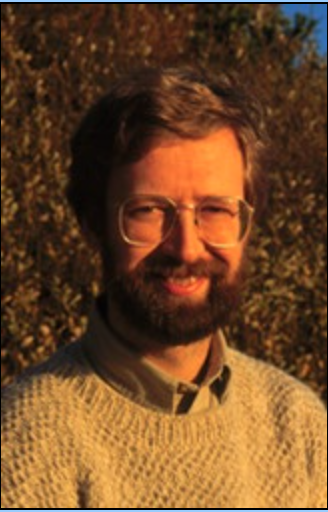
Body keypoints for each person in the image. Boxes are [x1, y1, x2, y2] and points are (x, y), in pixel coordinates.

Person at [1, 66, 327, 509]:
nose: (186, 247)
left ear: (248, 224)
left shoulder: (300, 426)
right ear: (94, 225)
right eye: (150, 210)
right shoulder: (24, 445)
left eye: (215, 209)